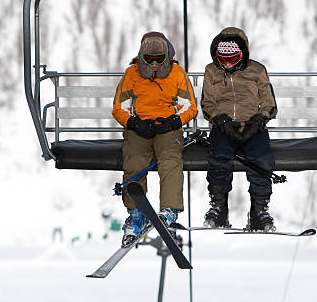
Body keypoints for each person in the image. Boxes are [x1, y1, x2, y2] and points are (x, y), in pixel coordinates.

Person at [112, 31, 197, 247]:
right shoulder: (131, 74)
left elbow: (190, 106)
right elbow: (119, 107)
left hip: (168, 127)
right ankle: (135, 213)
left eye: (159, 59)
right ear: (141, 58)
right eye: (149, 60)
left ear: (166, 57)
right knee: (134, 160)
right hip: (140, 127)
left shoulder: (177, 74)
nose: (155, 65)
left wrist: (175, 121)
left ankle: (169, 209)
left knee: (170, 160)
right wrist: (133, 123)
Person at [200, 26, 278, 231]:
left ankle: (259, 210)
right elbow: (207, 102)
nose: (227, 64)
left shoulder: (257, 70)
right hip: (224, 126)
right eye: (222, 60)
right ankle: (219, 206)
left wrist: (259, 119)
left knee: (261, 158)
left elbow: (269, 103)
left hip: (253, 125)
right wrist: (220, 119)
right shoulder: (211, 71)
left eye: (233, 59)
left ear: (242, 54)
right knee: (220, 155)